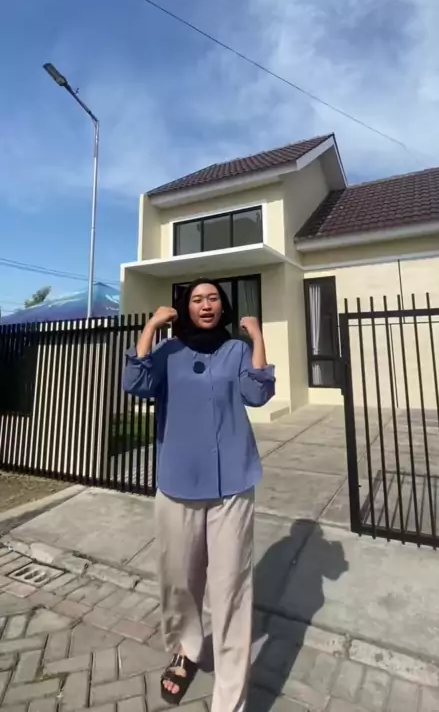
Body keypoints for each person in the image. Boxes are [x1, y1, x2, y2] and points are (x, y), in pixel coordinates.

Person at [122, 278, 275, 711]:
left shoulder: (236, 350)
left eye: (212, 299)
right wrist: (151, 327)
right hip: (178, 484)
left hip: (232, 486)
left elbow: (257, 393)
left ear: (222, 307)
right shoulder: (169, 351)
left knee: (231, 590)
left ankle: (230, 698)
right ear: (185, 308)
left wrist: (257, 337)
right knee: (180, 582)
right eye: (196, 299)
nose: (205, 305)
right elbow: (134, 382)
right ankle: (186, 651)